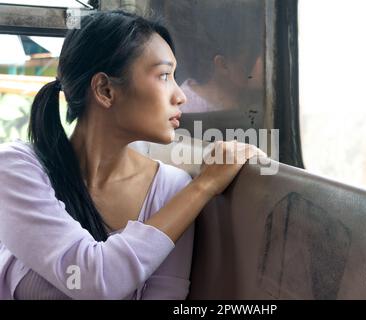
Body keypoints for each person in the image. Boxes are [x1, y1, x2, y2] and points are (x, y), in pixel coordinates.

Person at [0, 10, 265, 300]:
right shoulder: (16, 168)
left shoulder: (171, 189)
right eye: (164, 76)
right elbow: (90, 280)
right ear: (105, 90)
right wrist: (205, 185)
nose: (180, 96)